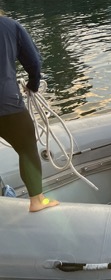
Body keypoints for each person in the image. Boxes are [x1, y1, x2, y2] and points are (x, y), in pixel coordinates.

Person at [0, 13, 59, 212]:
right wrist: (32, 85)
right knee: (27, 149)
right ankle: (37, 200)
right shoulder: (10, 26)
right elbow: (33, 62)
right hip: (7, 103)